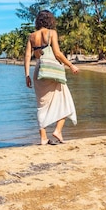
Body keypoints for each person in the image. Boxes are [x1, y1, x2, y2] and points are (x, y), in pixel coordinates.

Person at [24, 10, 79, 145]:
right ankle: (58, 131)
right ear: (50, 21)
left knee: (41, 105)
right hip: (52, 70)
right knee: (66, 100)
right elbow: (57, 53)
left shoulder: (31, 36)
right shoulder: (52, 33)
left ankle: (43, 137)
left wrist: (27, 75)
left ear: (38, 21)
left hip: (39, 70)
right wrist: (71, 66)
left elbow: (26, 57)